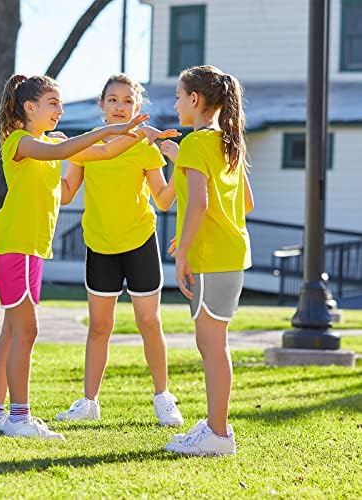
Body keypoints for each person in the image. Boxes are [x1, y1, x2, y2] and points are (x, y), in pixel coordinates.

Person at [0, 74, 176, 439]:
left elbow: (103, 153)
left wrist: (132, 134)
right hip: (17, 247)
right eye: (53, 103)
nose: (60, 111)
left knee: (11, 332)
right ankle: (19, 417)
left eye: (61, 104)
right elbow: (63, 154)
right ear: (29, 107)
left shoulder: (49, 141)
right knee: (26, 331)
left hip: (30, 249)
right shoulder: (22, 143)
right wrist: (107, 132)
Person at [55, 74, 184, 427]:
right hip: (99, 244)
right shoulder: (84, 147)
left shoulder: (144, 146)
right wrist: (45, 158)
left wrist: (182, 168)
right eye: (113, 99)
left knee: (148, 321)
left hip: (140, 241)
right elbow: (66, 193)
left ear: (136, 107)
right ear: (102, 105)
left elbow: (162, 198)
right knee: (99, 326)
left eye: (127, 100)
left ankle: (163, 397)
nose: (119, 106)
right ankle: (89, 402)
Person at [163, 65, 254, 455]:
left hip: (211, 259)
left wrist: (184, 251)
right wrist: (186, 234)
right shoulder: (227, 143)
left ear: (195, 100)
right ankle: (216, 427)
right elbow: (245, 202)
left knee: (212, 345)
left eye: (179, 96)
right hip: (230, 256)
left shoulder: (198, 145)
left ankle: (217, 433)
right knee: (215, 343)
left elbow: (199, 202)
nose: (176, 102)